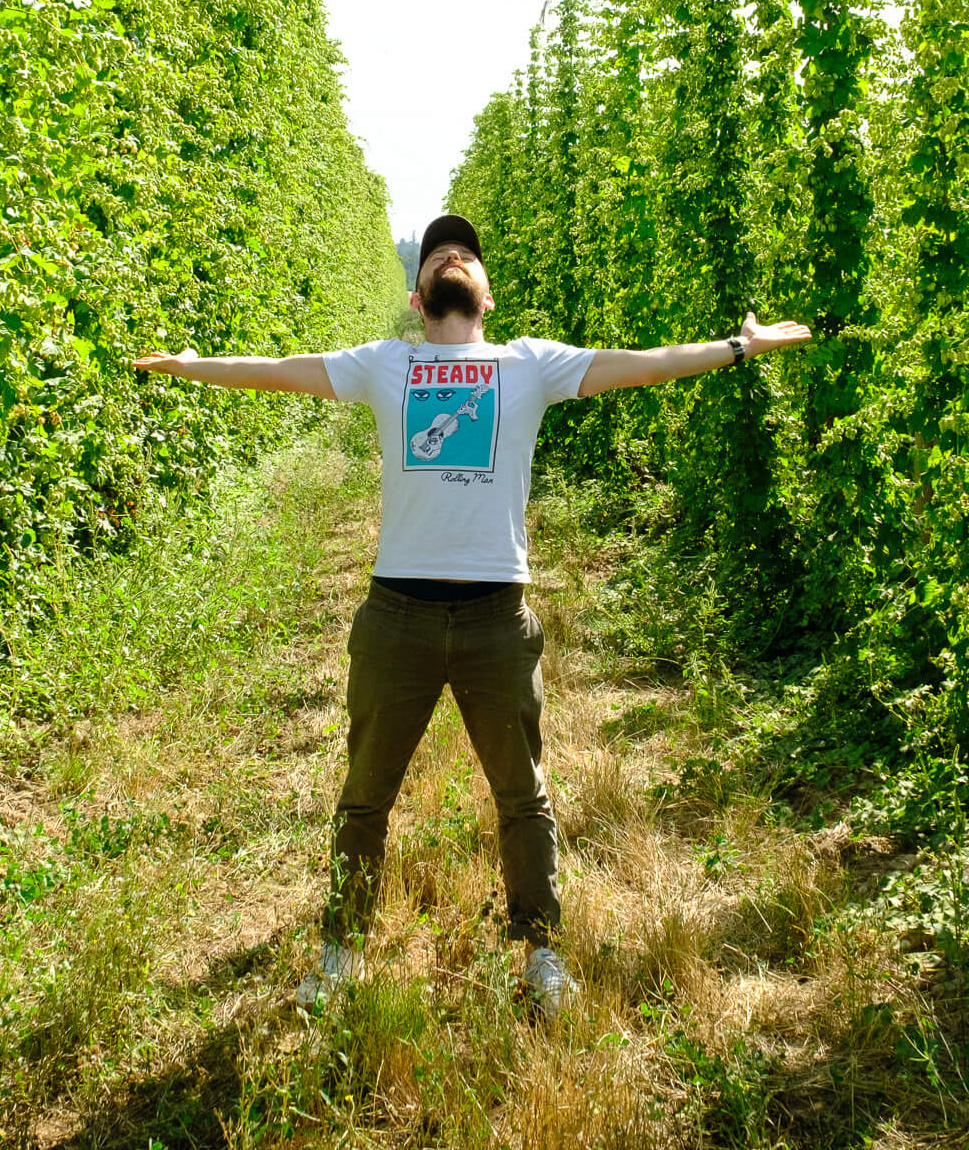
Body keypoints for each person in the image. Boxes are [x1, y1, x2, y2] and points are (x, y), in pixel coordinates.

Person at [130, 214, 811, 1017]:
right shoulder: (388, 365)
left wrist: (739, 346)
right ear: (420, 298)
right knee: (363, 798)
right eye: (437, 256)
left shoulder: (529, 364)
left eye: (465, 254)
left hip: (497, 619)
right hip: (397, 618)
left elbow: (643, 365)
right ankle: (341, 949)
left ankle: (539, 954)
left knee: (524, 798)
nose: (453, 255)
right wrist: (192, 366)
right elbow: (282, 369)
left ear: (485, 294)